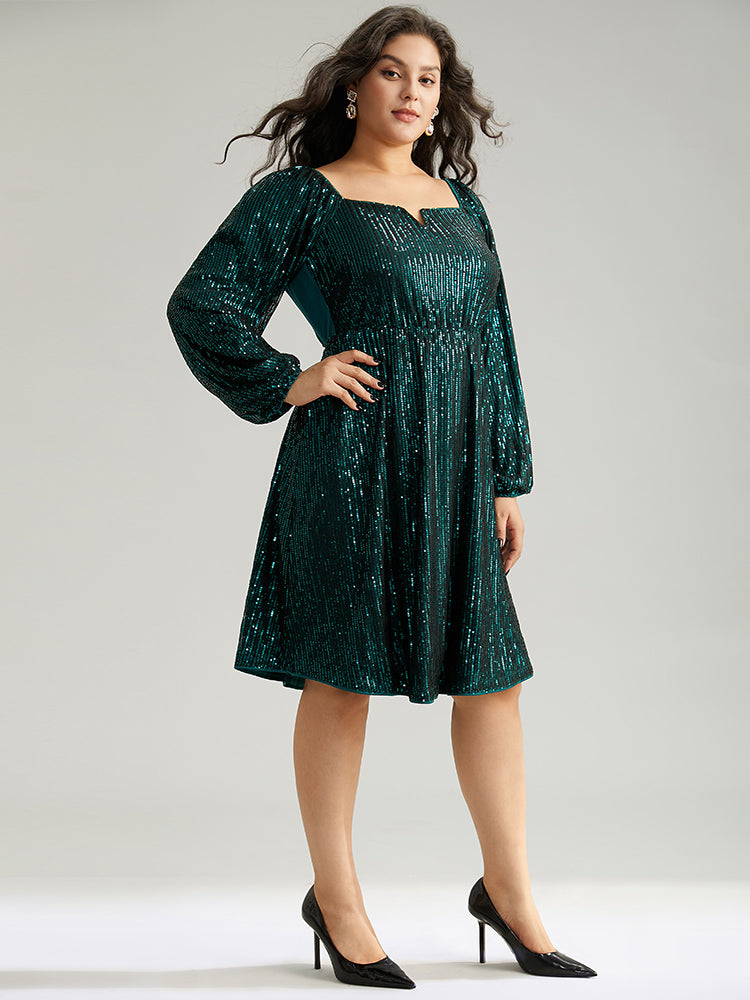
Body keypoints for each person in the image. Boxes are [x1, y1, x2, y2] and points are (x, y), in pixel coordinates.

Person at [166, 5, 596, 989]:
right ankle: (339, 900)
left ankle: (510, 893)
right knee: (342, 674)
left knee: (492, 678)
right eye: (394, 72)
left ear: (443, 101)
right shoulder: (303, 198)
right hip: (350, 464)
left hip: (457, 472)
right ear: (355, 86)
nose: (412, 91)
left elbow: (494, 343)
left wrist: (506, 477)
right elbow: (203, 303)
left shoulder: (461, 206)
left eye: (429, 78)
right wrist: (292, 378)